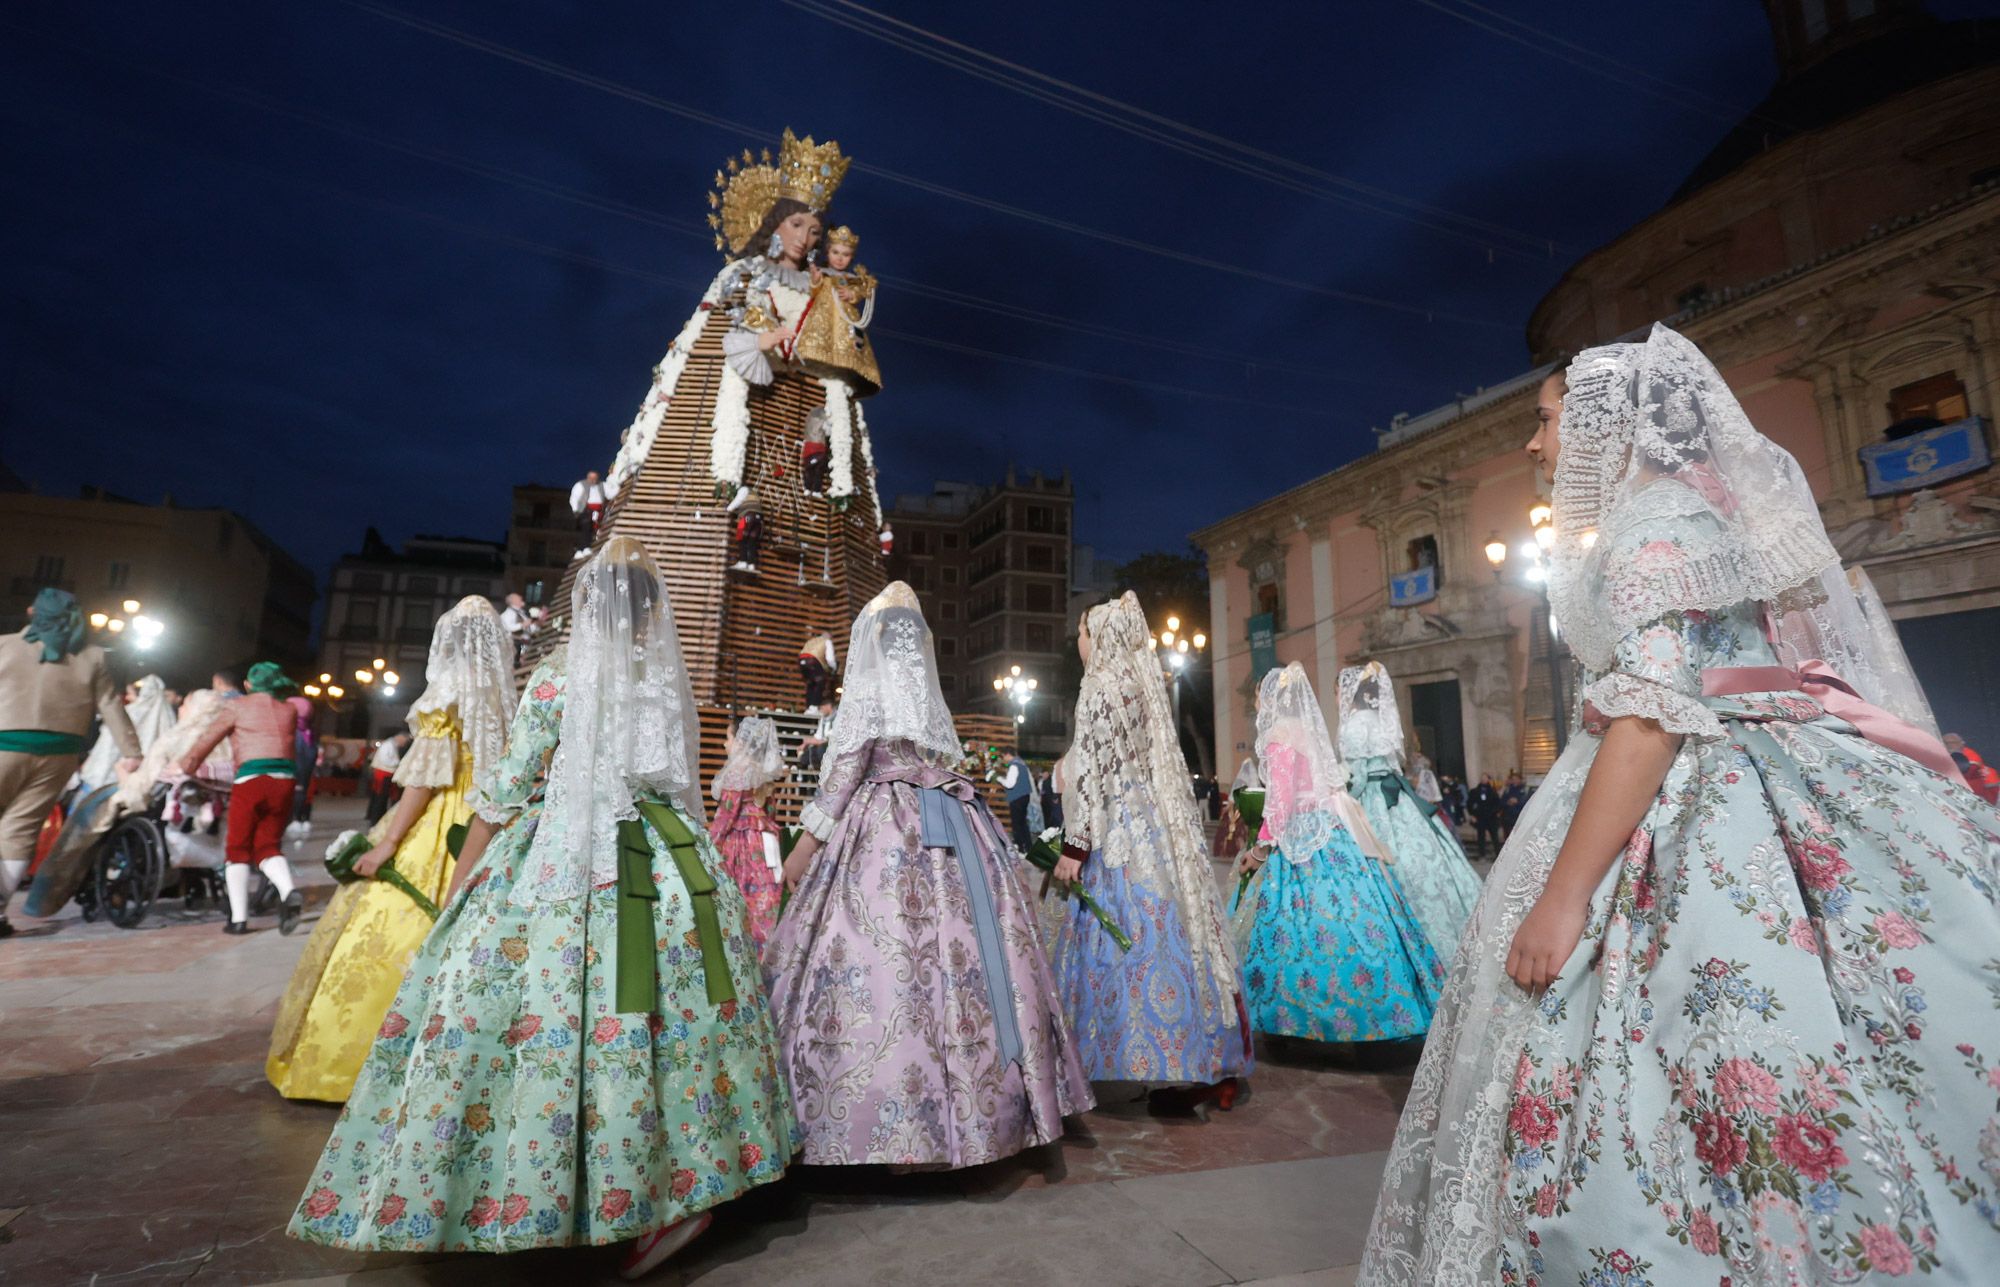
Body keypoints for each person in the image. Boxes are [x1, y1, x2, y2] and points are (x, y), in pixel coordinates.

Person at [1361, 324, 2000, 1285]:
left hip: (1698, 796)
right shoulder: (1680, 515)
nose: (1536, 446)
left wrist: (1566, 894)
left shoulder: (1653, 524)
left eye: (1546, 420)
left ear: (1609, 420)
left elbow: (1651, 717)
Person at [289, 537, 792, 1277]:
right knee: (672, 1021)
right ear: (651, 615)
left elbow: (504, 790)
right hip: (670, 858)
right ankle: (690, 1180)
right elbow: (678, 778)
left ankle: (548, 1191)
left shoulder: (557, 679)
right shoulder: (660, 678)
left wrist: (459, 892)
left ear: (585, 607)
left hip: (565, 856)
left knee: (542, 1012)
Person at [768, 582, 1092, 1166]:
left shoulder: (871, 688)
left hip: (881, 821)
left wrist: (807, 842)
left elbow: (845, 770)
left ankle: (886, 1125)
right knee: (965, 960)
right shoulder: (922, 692)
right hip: (950, 819)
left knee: (883, 961)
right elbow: (935, 760)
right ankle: (976, 1113)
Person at [267, 597, 515, 1101]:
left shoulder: (448, 690)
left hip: (441, 819)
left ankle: (362, 1067)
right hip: (489, 826)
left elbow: (424, 780)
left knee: (388, 935)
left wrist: (390, 843)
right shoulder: (506, 698)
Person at [1049, 591, 1251, 1109]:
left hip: (1114, 826)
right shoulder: (1141, 687)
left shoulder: (1097, 687)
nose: (1078, 642)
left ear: (1097, 637)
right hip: (1153, 826)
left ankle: (1127, 1054)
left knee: (1120, 938)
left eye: (1081, 633)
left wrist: (1074, 847)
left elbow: (1093, 775)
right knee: (1168, 933)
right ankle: (1190, 1055)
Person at [1229, 664, 1444, 1045]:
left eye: (1260, 694)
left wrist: (1260, 850)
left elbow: (1280, 804)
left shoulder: (1279, 736)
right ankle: (1382, 1006)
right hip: (1331, 833)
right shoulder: (1306, 732)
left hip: (1298, 840)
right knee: (1355, 917)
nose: (1259, 702)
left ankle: (1301, 1016)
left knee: (1297, 928)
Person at [0, 589, 139, 937]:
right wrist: (132, 752)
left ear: (33, 611)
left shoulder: (5, 646)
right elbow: (111, 706)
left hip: (4, 745)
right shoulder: (92, 656)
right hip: (60, 756)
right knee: (20, 830)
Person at [1340, 662, 1483, 958]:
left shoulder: (1353, 724)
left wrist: (1342, 796)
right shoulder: (1383, 722)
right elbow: (1395, 766)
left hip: (1373, 797)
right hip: (1399, 799)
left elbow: (1360, 774)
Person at [178, 662, 305, 935]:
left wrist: (187, 765)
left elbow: (207, 739)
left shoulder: (237, 707)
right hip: (284, 781)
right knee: (268, 845)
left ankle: (238, 919)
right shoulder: (289, 709)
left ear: (248, 685)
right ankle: (287, 890)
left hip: (251, 780)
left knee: (237, 849)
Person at [708, 714, 785, 949]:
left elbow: (726, 817)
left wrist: (709, 846)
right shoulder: (763, 772)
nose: (725, 744)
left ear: (741, 742)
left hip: (742, 843)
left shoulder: (737, 771)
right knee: (762, 903)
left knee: (737, 899)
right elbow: (770, 812)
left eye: (728, 738)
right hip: (766, 841)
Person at [77, 673, 176, 791]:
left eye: (130, 694)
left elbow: (106, 749)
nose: (128, 698)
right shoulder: (168, 720)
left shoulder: (126, 717)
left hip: (110, 780)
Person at [363, 731, 409, 825]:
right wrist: (399, 763)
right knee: (380, 798)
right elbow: (385, 760)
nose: (404, 743)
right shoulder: (388, 745)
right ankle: (376, 818)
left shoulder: (392, 744)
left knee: (381, 797)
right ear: (401, 738)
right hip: (384, 774)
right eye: (404, 741)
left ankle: (377, 816)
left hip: (386, 774)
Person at [1944, 732, 2000, 804]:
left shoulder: (1970, 759)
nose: (1948, 745)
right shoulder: (1958, 754)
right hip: (1982, 791)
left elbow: (1962, 776)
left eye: (1950, 743)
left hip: (1991, 794)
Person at [569, 469, 613, 558]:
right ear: (587, 478)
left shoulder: (602, 485)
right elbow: (574, 498)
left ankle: (593, 547)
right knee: (585, 527)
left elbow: (611, 494)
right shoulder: (580, 485)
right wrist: (576, 510)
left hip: (599, 512)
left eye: (594, 478)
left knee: (597, 530)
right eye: (591, 478)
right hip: (585, 510)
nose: (593, 480)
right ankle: (583, 548)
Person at [1000, 747, 1035, 851]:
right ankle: (1028, 846)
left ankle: (1021, 848)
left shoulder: (1014, 765)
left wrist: (999, 778)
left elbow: (1009, 784)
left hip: (1017, 798)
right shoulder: (1021, 763)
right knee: (1023, 823)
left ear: (1007, 754)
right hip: (1024, 796)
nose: (1003, 759)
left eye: (1002, 757)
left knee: (1017, 824)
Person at [726, 484, 763, 572]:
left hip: (748, 517)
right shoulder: (754, 493)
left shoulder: (743, 489)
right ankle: (751, 564)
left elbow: (738, 500)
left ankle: (743, 561)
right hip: (758, 518)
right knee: (752, 540)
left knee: (740, 535)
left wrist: (728, 509)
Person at [1465, 773, 1502, 858]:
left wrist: (1495, 812)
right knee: (1481, 836)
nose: (1483, 779)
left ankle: (1497, 853)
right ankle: (1482, 854)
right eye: (1482, 778)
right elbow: (1469, 804)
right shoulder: (1474, 791)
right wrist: (1472, 815)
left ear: (1488, 780)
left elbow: (1497, 804)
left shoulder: (1493, 791)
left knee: (1494, 837)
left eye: (1485, 778)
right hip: (1480, 817)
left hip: (1491, 818)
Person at [1497, 770, 1529, 841]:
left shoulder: (1524, 790)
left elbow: (1526, 803)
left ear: (1520, 780)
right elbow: (1501, 802)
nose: (1514, 781)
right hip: (1507, 817)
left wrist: (1516, 802)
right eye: (1513, 779)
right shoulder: (1507, 790)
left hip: (1518, 817)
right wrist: (1508, 802)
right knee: (1507, 837)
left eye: (1516, 779)